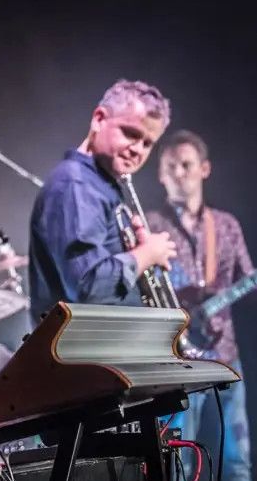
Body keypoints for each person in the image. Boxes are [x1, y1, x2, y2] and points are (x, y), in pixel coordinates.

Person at [146, 129, 253, 481]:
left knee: (236, 460)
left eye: (186, 165)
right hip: (176, 363)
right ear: (160, 174)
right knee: (177, 461)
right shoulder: (150, 226)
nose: (179, 173)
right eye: (170, 167)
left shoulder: (226, 225)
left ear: (204, 169)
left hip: (225, 357)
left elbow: (247, 279)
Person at [28, 79, 177, 321]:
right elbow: (89, 286)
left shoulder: (103, 185)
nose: (138, 150)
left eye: (147, 143)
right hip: (82, 344)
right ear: (98, 119)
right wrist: (146, 254)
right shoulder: (76, 184)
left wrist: (134, 252)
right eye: (131, 133)